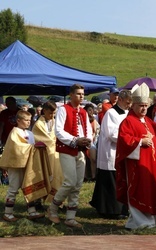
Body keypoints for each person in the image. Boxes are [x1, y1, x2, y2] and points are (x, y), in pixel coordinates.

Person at [115, 83, 156, 230]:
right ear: (133, 105)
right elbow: (124, 140)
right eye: (141, 106)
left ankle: (148, 220)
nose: (144, 108)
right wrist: (139, 141)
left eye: (146, 105)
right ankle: (141, 222)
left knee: (151, 191)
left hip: (150, 165)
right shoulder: (128, 122)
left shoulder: (148, 121)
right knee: (140, 190)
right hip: (136, 165)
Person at [47, 84, 93, 228]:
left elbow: (88, 129)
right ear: (71, 95)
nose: (81, 96)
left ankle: (70, 217)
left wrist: (87, 139)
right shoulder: (63, 110)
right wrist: (74, 140)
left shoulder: (84, 113)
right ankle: (52, 209)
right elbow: (59, 131)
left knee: (78, 184)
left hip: (80, 150)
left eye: (83, 94)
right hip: (67, 149)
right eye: (78, 94)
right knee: (70, 182)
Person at [90, 90, 132, 219]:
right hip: (111, 152)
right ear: (120, 100)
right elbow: (112, 134)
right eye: (127, 102)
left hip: (124, 153)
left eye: (130, 103)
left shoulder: (128, 113)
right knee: (110, 182)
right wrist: (130, 139)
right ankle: (110, 210)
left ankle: (122, 208)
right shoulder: (111, 113)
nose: (129, 105)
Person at [0, 110, 46, 222]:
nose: (28, 122)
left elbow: (32, 148)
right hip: (16, 165)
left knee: (29, 187)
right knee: (13, 188)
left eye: (29, 120)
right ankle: (8, 213)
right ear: (18, 120)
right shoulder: (14, 132)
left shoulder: (30, 134)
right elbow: (16, 147)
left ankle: (32, 211)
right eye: (25, 120)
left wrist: (38, 147)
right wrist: (33, 147)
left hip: (27, 164)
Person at [31, 101, 63, 204]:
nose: (52, 115)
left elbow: (58, 135)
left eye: (54, 113)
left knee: (56, 175)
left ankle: (56, 200)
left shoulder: (56, 122)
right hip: (42, 155)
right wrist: (51, 141)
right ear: (44, 111)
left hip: (55, 154)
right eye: (50, 113)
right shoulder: (38, 124)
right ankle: (37, 201)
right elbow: (38, 137)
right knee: (41, 175)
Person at [0, 97, 20, 185]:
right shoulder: (4, 113)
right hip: (6, 140)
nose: (8, 105)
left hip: (18, 140)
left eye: (10, 103)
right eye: (7, 104)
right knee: (6, 159)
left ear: (14, 102)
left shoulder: (20, 112)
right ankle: (5, 178)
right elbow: (1, 126)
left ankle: (17, 178)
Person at [84, 103, 100, 181]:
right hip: (84, 141)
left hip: (92, 142)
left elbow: (97, 131)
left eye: (92, 110)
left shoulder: (94, 120)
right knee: (84, 160)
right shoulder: (83, 119)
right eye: (89, 110)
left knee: (93, 159)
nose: (91, 111)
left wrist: (94, 136)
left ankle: (93, 176)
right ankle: (86, 176)